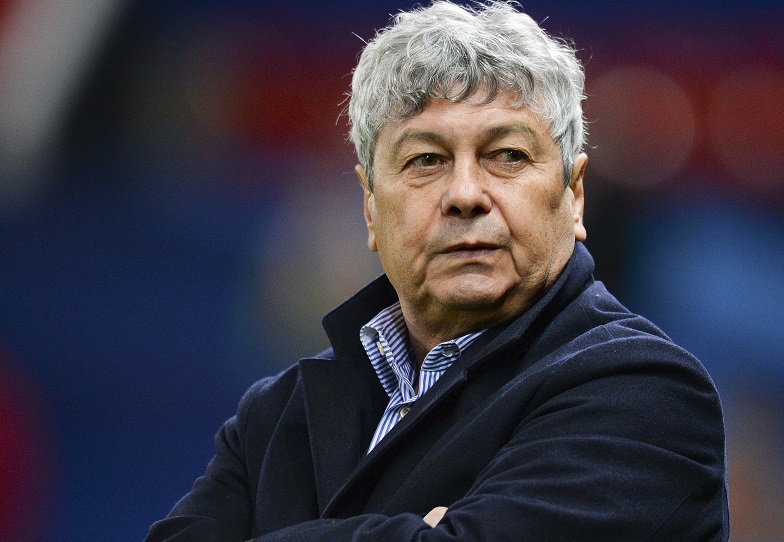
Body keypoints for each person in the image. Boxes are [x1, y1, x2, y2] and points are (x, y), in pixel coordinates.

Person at [145, 1, 729, 540]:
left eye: (507, 156)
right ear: (370, 208)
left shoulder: (645, 392)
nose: (466, 195)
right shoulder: (275, 415)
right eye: (426, 160)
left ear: (573, 197)